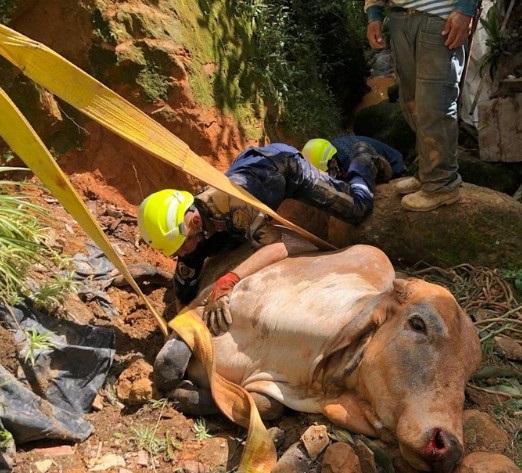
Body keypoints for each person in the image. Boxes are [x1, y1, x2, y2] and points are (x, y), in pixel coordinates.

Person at [137, 142, 392, 334]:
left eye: (181, 247)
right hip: (250, 169)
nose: (181, 253)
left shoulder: (236, 205)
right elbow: (184, 291)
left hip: (284, 166)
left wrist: (228, 281)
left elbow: (278, 246)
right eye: (175, 252)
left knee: (358, 208)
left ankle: (362, 159)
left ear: (194, 222)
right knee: (203, 256)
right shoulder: (190, 230)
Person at [364, 1, 476, 211]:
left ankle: (441, 183)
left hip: (440, 18)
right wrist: (374, 13)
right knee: (412, 103)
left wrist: (466, 8)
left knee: (435, 104)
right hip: (398, 17)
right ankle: (428, 172)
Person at [302, 136, 405, 181]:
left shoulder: (355, 165)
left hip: (395, 166)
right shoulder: (330, 148)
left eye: (326, 172)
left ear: (332, 162)